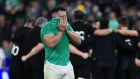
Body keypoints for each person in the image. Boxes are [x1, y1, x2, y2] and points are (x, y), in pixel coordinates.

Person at [69, 10, 114, 79]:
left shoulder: (70, 26)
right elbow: (99, 33)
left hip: (71, 56)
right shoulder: (87, 26)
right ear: (84, 18)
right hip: (84, 56)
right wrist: (111, 30)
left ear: (74, 18)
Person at [41, 7, 81, 79]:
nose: (64, 19)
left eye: (65, 16)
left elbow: (78, 41)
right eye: (62, 17)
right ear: (54, 17)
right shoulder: (47, 27)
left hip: (67, 64)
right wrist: (61, 31)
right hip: (52, 66)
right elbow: (51, 44)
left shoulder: (67, 26)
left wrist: (67, 31)